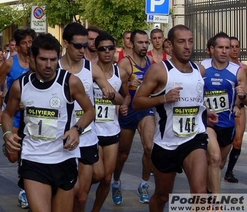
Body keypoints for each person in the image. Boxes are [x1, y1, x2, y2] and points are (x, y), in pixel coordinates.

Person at [2, 33, 96, 212]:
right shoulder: (20, 85)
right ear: (33, 58)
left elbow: (90, 111)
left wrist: (77, 129)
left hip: (64, 157)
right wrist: (7, 134)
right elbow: (7, 114)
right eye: (43, 59)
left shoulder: (70, 82)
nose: (48, 65)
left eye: (53, 59)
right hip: (33, 158)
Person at [132, 24, 218, 212]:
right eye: (181, 42)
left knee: (199, 192)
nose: (187, 46)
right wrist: (163, 98)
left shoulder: (199, 70)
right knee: (162, 195)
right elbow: (137, 102)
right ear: (170, 45)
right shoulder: (159, 71)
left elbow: (197, 97)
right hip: (166, 143)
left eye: (190, 41)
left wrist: (206, 111)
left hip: (194, 139)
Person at [58, 22, 116, 212]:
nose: (83, 50)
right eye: (78, 46)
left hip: (87, 136)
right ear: (66, 43)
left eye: (85, 46)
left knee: (82, 197)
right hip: (61, 137)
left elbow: (114, 94)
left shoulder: (91, 68)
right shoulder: (54, 66)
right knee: (67, 191)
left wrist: (110, 91)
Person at [0, 28, 36, 208]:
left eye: (30, 42)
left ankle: (25, 189)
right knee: (13, 156)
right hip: (14, 114)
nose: (28, 46)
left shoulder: (38, 62)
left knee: (29, 153)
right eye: (24, 43)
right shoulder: (11, 63)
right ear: (17, 46)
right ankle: (8, 147)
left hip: (33, 116)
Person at [201, 32, 247, 194]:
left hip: (228, 123)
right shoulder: (202, 68)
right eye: (221, 47)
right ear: (212, 49)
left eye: (227, 48)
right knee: (214, 158)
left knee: (219, 164)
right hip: (208, 123)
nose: (224, 51)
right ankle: (216, 204)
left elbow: (244, 99)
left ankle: (207, 192)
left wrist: (241, 97)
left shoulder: (238, 71)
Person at [112, 29, 154, 205]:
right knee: (122, 154)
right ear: (132, 44)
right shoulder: (125, 63)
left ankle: (144, 184)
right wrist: (128, 84)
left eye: (146, 43)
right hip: (128, 110)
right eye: (140, 43)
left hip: (145, 109)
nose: (144, 46)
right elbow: (113, 87)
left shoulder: (150, 62)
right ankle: (116, 182)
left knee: (150, 147)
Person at [91, 32, 126, 212]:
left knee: (106, 178)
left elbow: (125, 96)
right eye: (102, 48)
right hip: (92, 131)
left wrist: (120, 101)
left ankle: (95, 209)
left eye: (110, 48)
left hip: (112, 130)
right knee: (96, 174)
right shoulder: (89, 71)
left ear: (115, 49)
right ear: (96, 50)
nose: (107, 52)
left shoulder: (120, 72)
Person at [225, 36, 247, 183]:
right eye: (231, 46)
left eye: (237, 47)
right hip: (223, 109)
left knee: (237, 142)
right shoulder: (222, 67)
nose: (234, 49)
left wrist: (239, 103)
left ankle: (229, 172)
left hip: (239, 108)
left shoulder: (243, 69)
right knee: (224, 143)